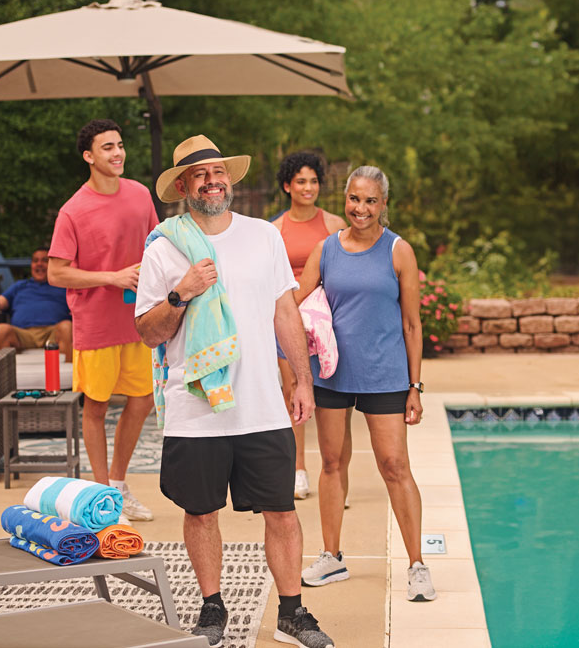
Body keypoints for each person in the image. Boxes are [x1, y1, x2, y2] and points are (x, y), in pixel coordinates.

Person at [134, 135, 336, 648]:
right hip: (195, 406)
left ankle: (291, 613)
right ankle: (211, 607)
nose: (212, 180)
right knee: (200, 511)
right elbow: (149, 332)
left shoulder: (261, 237)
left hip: (262, 404)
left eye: (218, 171)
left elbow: (284, 311)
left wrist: (302, 380)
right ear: (183, 186)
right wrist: (182, 292)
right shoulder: (164, 246)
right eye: (200, 174)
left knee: (282, 511)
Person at [295, 165, 436, 602]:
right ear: (346, 199)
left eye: (371, 201)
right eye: (355, 199)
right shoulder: (325, 250)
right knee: (333, 462)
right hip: (333, 374)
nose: (361, 208)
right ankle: (332, 556)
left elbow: (412, 324)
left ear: (384, 204)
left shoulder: (399, 251)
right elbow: (296, 306)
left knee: (394, 466)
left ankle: (417, 565)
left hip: (385, 375)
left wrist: (415, 386)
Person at [47, 118, 158, 524]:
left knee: (143, 400)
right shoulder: (73, 210)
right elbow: (56, 273)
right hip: (95, 323)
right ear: (89, 157)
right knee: (94, 407)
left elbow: (157, 245)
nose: (117, 153)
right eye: (107, 147)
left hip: (138, 320)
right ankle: (101, 501)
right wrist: (110, 278)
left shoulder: (141, 195)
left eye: (120, 145)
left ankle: (118, 484)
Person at [272, 152, 347, 501]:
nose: (308, 187)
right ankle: (298, 470)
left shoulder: (333, 225)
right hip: (288, 321)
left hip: (327, 324)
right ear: (287, 186)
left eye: (313, 181)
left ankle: (337, 479)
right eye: (300, 181)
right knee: (294, 393)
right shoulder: (274, 230)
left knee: (335, 400)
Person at [0, 246, 73, 360]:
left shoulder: (62, 286)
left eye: (44, 261)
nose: (39, 264)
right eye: (35, 261)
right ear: (31, 265)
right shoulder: (19, 286)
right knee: (1, 330)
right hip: (23, 335)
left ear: (52, 265)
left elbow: (76, 305)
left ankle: (68, 375)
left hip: (53, 333)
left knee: (66, 327)